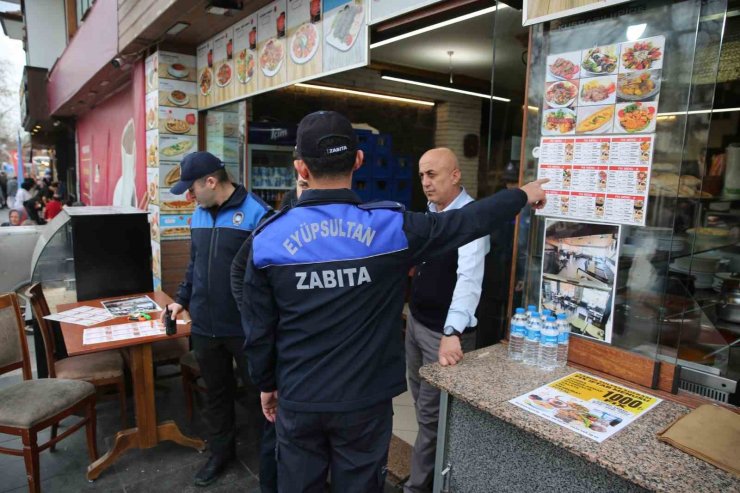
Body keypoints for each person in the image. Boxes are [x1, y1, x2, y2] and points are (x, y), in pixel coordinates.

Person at [239, 110, 548, 493]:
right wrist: (522, 194)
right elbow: (465, 223)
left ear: (301, 168)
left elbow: (258, 327)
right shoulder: (391, 227)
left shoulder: (267, 239)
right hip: (365, 402)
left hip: (300, 397)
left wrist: (266, 383)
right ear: (358, 160)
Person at [161, 151, 274, 488]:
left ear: (211, 181)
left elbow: (269, 275)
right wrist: (181, 301)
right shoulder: (198, 213)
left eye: (192, 188)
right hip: (206, 326)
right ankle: (220, 454)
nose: (190, 196)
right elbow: (195, 265)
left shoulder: (258, 214)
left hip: (245, 328)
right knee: (217, 395)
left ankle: (270, 463)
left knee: (261, 398)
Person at [405, 148, 488, 493]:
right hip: (416, 322)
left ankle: (418, 487)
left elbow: (469, 279)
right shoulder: (431, 213)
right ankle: (430, 474)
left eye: (433, 175)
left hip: (443, 335)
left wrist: (452, 331)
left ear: (455, 175)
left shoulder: (471, 219)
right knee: (421, 407)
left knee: (431, 416)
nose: (426, 182)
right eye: (422, 175)